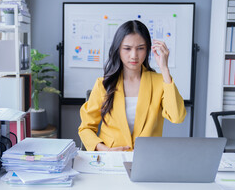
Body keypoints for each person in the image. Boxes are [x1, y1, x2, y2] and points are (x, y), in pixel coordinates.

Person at [78, 20, 186, 151]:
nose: (134, 55)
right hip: (111, 159)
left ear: (148, 50)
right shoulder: (103, 84)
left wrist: (164, 68)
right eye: (127, 48)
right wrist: (104, 150)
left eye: (140, 48)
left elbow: (177, 116)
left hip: (147, 159)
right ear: (118, 49)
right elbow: (86, 128)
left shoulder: (160, 82)